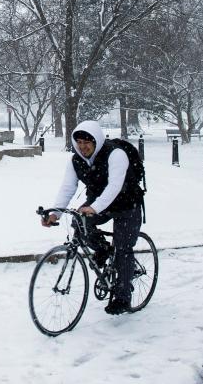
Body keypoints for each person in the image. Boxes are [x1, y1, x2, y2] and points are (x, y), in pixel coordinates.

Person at [41, 120, 144, 315]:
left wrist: (94, 207)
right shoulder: (76, 161)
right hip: (99, 203)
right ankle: (103, 249)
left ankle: (122, 297)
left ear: (97, 140)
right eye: (79, 141)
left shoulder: (116, 154)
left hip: (127, 204)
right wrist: (55, 213)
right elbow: (68, 188)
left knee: (122, 248)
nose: (83, 146)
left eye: (87, 141)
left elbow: (114, 186)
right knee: (79, 222)